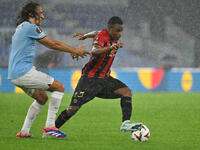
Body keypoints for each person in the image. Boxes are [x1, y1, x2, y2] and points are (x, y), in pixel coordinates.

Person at [8, 1, 90, 138]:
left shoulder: (21, 27)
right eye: (40, 13)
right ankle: (49, 127)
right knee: (59, 87)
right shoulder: (30, 27)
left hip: (14, 73)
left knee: (42, 98)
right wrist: (74, 49)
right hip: (23, 72)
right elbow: (53, 44)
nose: (43, 16)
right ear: (31, 14)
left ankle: (24, 132)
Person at [55, 16, 142, 133]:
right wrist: (111, 47)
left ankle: (125, 123)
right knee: (73, 109)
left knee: (126, 92)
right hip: (89, 79)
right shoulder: (103, 37)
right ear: (110, 29)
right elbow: (95, 51)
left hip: (104, 79)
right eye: (118, 31)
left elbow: (96, 32)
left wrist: (86, 35)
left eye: (121, 31)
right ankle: (52, 129)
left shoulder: (108, 34)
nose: (120, 34)